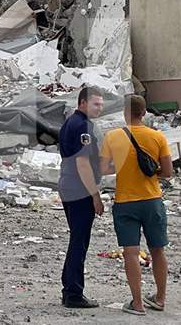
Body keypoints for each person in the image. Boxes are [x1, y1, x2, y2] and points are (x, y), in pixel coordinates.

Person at [100, 95, 173, 315]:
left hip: (126, 202)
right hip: (152, 200)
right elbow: (168, 172)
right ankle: (160, 299)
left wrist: (124, 166)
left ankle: (138, 303)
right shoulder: (158, 137)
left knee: (131, 253)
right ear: (144, 113)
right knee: (158, 250)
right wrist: (151, 170)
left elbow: (103, 169)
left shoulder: (112, 136)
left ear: (124, 112)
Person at [58, 86, 106, 309]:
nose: (100, 108)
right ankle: (73, 294)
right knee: (79, 241)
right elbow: (82, 162)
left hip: (68, 186)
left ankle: (70, 289)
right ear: (83, 103)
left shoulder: (71, 122)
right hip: (79, 190)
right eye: (96, 104)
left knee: (77, 239)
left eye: (101, 104)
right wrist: (95, 195)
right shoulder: (82, 126)